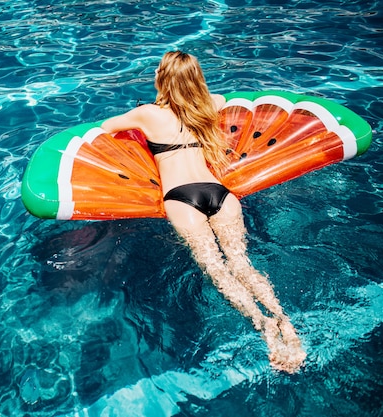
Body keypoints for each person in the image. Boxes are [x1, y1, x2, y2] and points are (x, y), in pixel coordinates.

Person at [101, 51, 306, 373]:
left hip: (182, 198)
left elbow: (107, 126)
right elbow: (223, 99)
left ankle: (262, 326)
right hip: (222, 195)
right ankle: (284, 321)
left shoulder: (148, 114)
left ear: (162, 78)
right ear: (195, 77)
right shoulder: (210, 104)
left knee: (218, 270)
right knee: (242, 263)